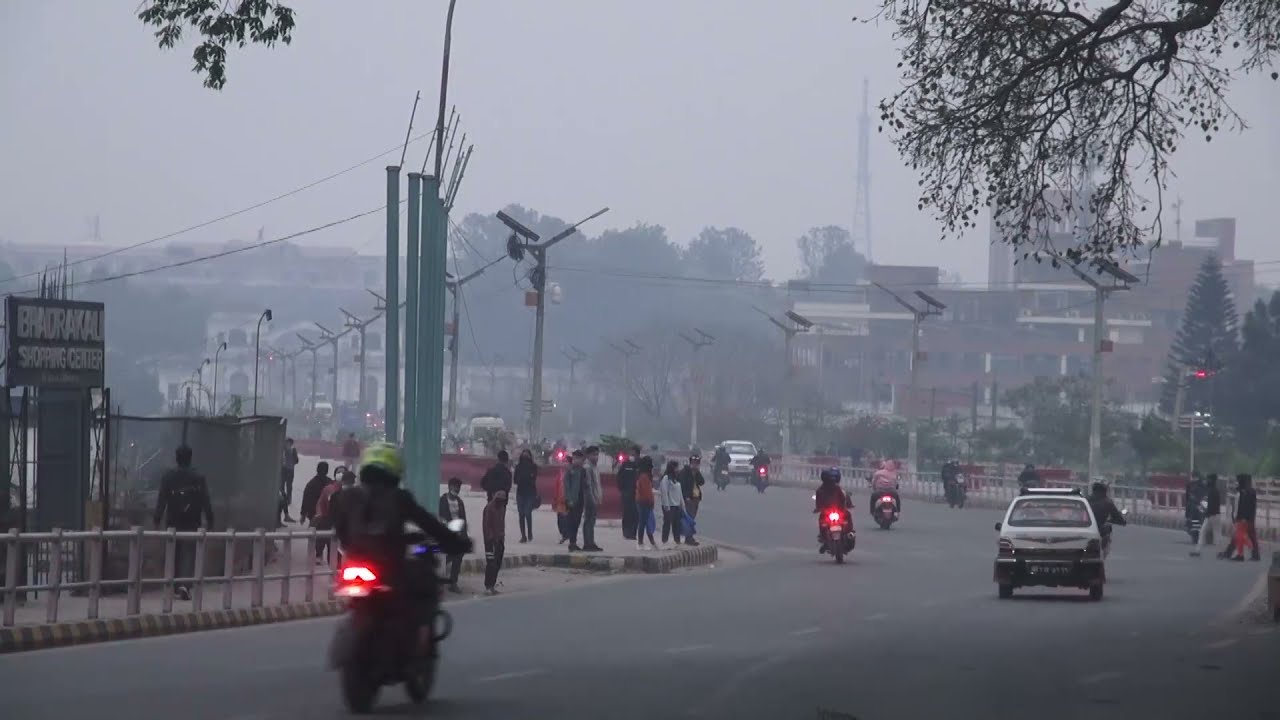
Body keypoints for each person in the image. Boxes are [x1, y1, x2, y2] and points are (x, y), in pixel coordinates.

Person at [333, 443, 471, 666]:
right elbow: (430, 524)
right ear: (394, 470)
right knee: (424, 585)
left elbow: (340, 530)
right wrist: (456, 542)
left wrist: (352, 547)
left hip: (354, 563)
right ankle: (415, 643)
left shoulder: (349, 497)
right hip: (389, 568)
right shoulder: (399, 498)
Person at [153, 445, 214, 600]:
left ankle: (173, 584)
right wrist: (210, 519)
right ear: (190, 458)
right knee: (189, 553)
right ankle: (185, 585)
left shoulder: (168, 477)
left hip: (173, 520)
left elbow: (161, 500)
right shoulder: (198, 478)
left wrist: (157, 518)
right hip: (192, 520)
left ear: (177, 458)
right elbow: (206, 500)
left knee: (174, 552)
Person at [1219, 474, 1260, 561]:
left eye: (1239, 481)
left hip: (1244, 519)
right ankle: (1253, 555)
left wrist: (1241, 518)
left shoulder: (1246, 492)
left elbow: (1245, 506)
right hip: (1248, 518)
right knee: (1244, 537)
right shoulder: (1247, 491)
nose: (1237, 483)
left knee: (1239, 536)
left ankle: (1238, 554)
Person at [438, 477, 468, 593]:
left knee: (458, 557)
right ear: (450, 487)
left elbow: (463, 519)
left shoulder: (460, 502)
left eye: (459, 487)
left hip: (458, 535)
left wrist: (464, 535)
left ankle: (453, 582)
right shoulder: (442, 501)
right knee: (445, 558)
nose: (457, 489)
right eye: (455, 487)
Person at [814, 467, 853, 551]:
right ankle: (823, 537)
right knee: (822, 520)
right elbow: (818, 503)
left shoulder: (837, 489)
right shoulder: (821, 490)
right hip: (827, 512)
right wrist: (818, 509)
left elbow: (844, 499)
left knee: (848, 516)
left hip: (839, 511)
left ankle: (850, 532)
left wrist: (847, 506)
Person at [313, 468, 347, 563]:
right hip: (327, 517)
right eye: (338, 472)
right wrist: (319, 513)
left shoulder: (348, 490)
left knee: (336, 545)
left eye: (343, 472)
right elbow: (320, 502)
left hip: (340, 521)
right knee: (322, 537)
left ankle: (335, 563)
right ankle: (319, 555)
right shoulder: (328, 489)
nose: (340, 474)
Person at [1087, 481, 1127, 553]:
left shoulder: (1085, 500)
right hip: (1100, 530)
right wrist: (1110, 521)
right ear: (1105, 491)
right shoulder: (1107, 502)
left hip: (1085, 528)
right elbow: (1119, 519)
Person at [482, 491, 508, 594]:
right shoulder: (489, 508)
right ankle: (488, 586)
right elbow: (486, 526)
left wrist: (502, 537)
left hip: (500, 540)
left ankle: (492, 585)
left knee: (497, 564)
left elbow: (502, 523)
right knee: (491, 564)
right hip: (490, 542)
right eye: (500, 500)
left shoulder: (502, 508)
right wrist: (491, 539)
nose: (501, 502)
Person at [677, 452, 705, 546]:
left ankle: (689, 537)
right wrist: (686, 497)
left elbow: (702, 482)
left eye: (697, 463)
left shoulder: (696, 473)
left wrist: (697, 472)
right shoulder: (684, 472)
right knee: (689, 519)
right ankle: (689, 538)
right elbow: (682, 485)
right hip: (688, 500)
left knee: (692, 518)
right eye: (694, 462)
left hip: (696, 498)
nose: (695, 464)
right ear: (690, 462)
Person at [1191, 473, 1222, 558]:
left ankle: (1218, 552)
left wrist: (1205, 511)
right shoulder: (1213, 490)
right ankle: (1198, 551)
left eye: (1208, 479)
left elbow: (1212, 505)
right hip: (1212, 516)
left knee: (1213, 534)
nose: (1206, 481)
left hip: (1213, 516)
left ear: (1211, 480)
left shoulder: (1213, 491)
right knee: (1206, 532)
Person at [581, 446, 604, 552]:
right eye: (594, 454)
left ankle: (591, 542)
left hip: (595, 497)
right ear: (588, 455)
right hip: (590, 498)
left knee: (591, 521)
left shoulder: (595, 467)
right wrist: (592, 498)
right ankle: (587, 543)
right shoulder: (587, 467)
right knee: (588, 521)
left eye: (597, 454)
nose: (596, 457)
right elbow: (588, 485)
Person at [563, 450, 588, 551]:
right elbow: (566, 485)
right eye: (574, 458)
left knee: (577, 521)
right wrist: (569, 499)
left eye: (578, 458)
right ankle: (571, 543)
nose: (576, 460)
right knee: (571, 521)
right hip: (571, 500)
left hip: (580, 499)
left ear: (582, 459)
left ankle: (574, 542)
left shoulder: (583, 471)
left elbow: (585, 485)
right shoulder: (569, 470)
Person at [512, 449, 539, 543]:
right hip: (520, 493)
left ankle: (529, 532)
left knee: (527, 513)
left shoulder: (533, 467)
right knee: (521, 514)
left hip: (530, 493)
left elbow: (534, 478)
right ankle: (523, 535)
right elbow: (515, 480)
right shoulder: (518, 467)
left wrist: (525, 478)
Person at [658, 460, 686, 547]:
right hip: (669, 506)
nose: (678, 469)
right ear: (673, 468)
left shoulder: (676, 478)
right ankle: (664, 541)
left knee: (676, 524)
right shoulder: (666, 478)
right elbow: (664, 492)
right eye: (677, 467)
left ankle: (677, 541)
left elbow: (680, 492)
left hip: (676, 505)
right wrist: (666, 505)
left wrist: (682, 504)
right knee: (667, 523)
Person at [616, 446, 641, 541]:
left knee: (635, 514)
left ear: (638, 455)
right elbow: (619, 477)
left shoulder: (640, 465)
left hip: (637, 494)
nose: (631, 456)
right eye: (631, 454)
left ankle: (633, 533)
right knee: (626, 513)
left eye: (633, 454)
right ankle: (626, 532)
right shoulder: (625, 464)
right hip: (626, 493)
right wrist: (622, 489)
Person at [635, 456, 658, 550]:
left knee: (645, 522)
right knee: (643, 522)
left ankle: (652, 543)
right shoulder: (644, 476)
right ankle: (641, 543)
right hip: (644, 502)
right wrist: (651, 502)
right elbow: (646, 492)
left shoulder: (643, 475)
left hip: (643, 501)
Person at [299, 461, 332, 527]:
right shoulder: (330, 482)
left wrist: (303, 514)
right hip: (326, 514)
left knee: (313, 533)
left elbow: (306, 499)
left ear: (317, 470)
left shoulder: (311, 484)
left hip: (314, 514)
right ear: (327, 471)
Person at [280, 438, 300, 523]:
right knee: (285, 485)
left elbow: (296, 460)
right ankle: (286, 499)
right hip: (287, 469)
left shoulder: (287, 449)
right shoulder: (286, 449)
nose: (288, 444)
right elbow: (296, 461)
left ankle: (288, 499)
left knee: (287, 485)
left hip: (287, 469)